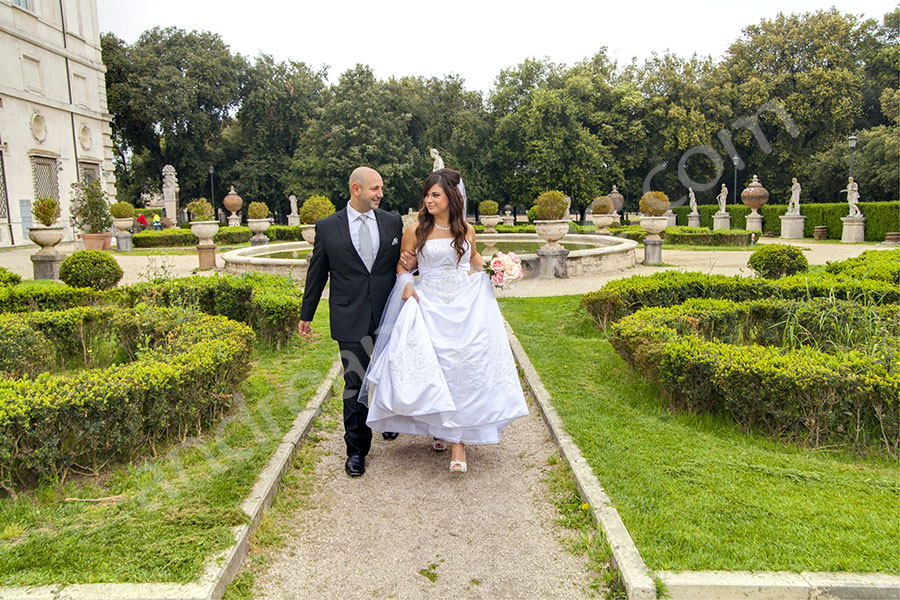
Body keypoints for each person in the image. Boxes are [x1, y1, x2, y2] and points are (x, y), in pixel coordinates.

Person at [361, 168, 529, 474]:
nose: (428, 199)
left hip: (463, 306)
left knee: (463, 368)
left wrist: (499, 269)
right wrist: (406, 283)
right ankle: (440, 427)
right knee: (437, 367)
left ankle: (458, 442)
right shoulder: (416, 230)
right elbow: (402, 267)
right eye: (426, 194)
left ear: (452, 197)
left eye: (434, 194)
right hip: (429, 305)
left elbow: (473, 260)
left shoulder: (467, 229)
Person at [298, 167, 414, 478]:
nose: (381, 194)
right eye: (375, 189)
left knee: (390, 373)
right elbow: (317, 273)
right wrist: (306, 314)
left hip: (388, 314)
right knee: (356, 382)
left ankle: (388, 421)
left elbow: (404, 264)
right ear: (356, 189)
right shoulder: (327, 227)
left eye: (381, 189)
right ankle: (356, 449)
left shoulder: (392, 222)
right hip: (349, 315)